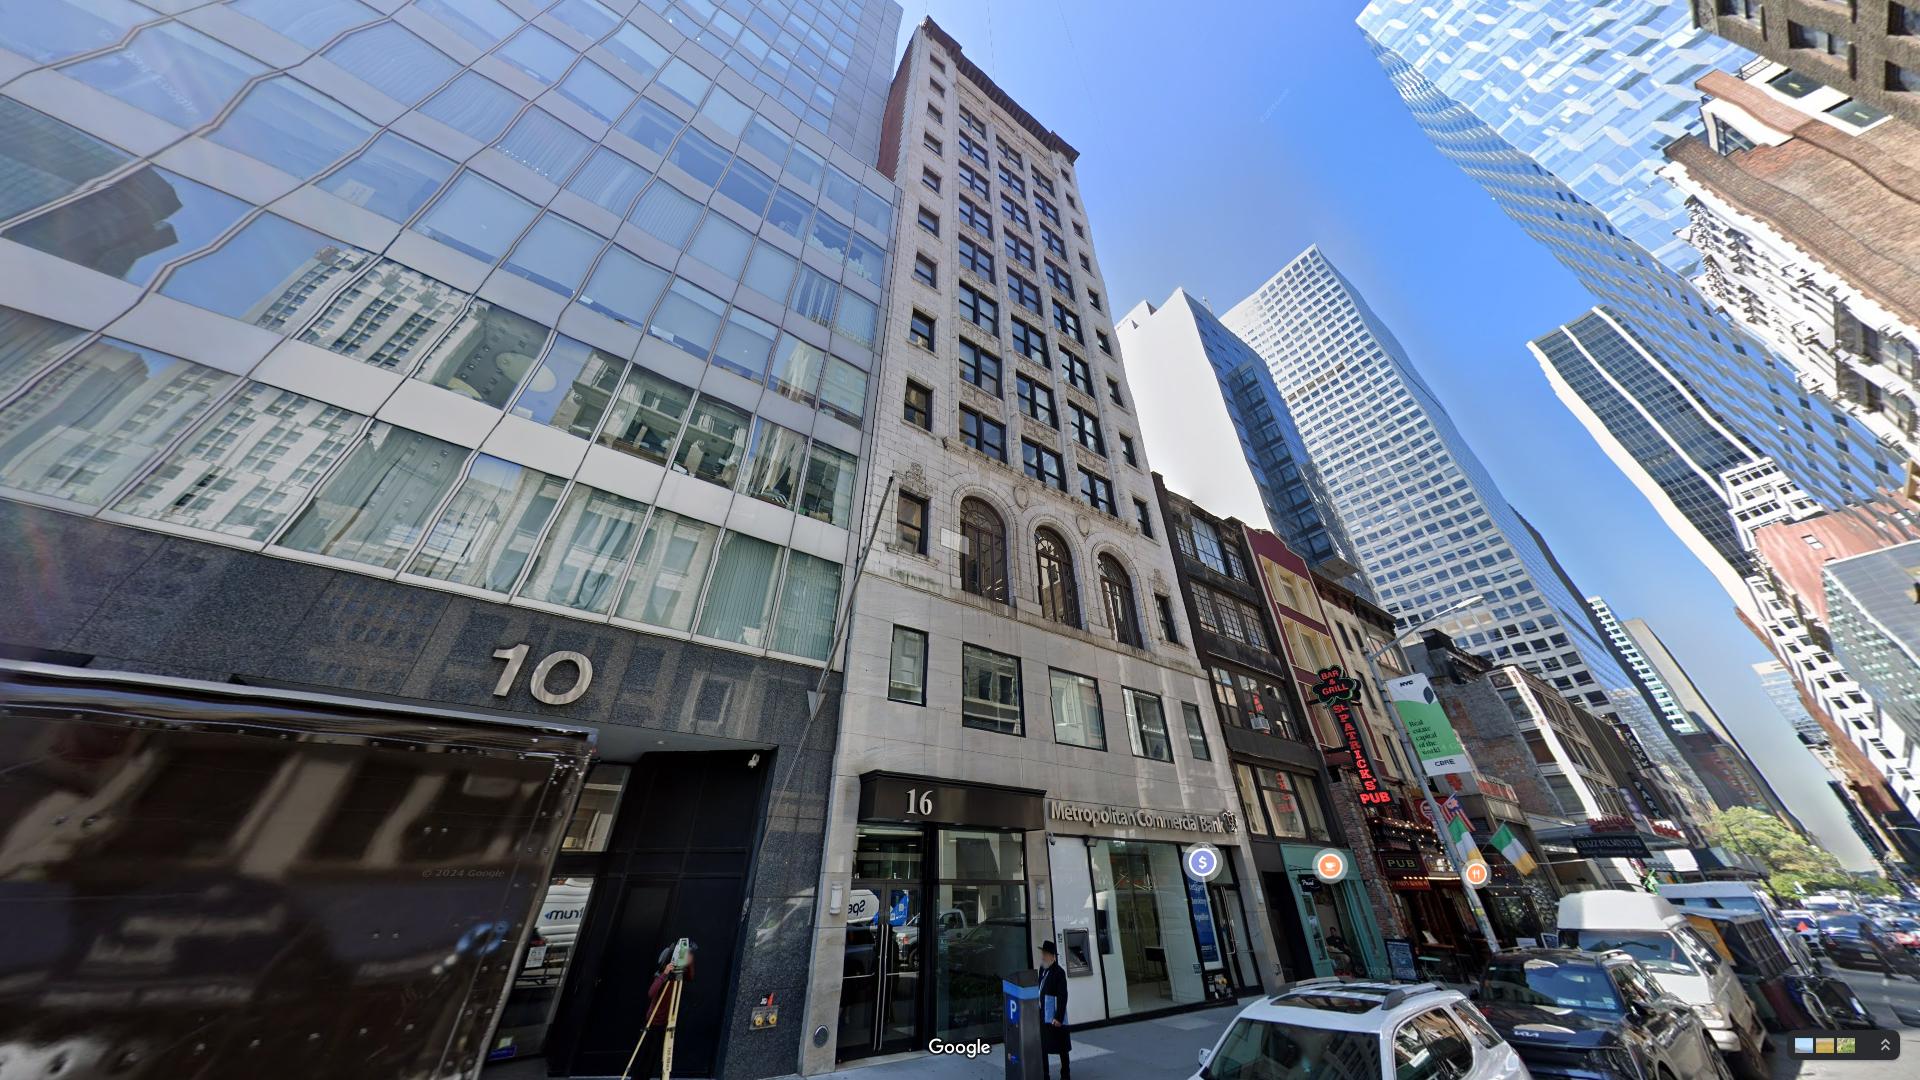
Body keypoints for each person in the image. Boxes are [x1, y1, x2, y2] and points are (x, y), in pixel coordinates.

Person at [1038, 940, 1070, 1080]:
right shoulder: (1042, 969)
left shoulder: (1059, 972)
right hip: (1043, 1012)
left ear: (1052, 956)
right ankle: (1045, 1074)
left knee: (1062, 1046)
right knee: (1043, 1045)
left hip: (1055, 1014)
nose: (1043, 957)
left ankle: (1065, 1074)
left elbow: (1063, 996)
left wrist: (1058, 1017)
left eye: (1045, 954)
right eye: (1043, 953)